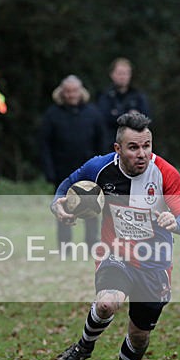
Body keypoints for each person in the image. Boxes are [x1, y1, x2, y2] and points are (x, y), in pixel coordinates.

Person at [49, 112, 180, 360]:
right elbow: (66, 185)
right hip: (114, 251)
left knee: (140, 334)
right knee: (107, 302)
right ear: (118, 149)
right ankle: (83, 347)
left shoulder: (165, 173)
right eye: (133, 147)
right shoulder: (100, 167)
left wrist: (174, 223)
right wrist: (58, 205)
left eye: (146, 146)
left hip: (155, 262)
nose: (141, 154)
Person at [40, 74, 105, 248]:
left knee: (91, 207)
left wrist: (101, 168)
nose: (71, 95)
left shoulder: (93, 113)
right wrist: (49, 171)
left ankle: (92, 243)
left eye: (74, 91)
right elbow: (44, 145)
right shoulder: (52, 115)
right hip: (62, 171)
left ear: (80, 91)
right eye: (67, 91)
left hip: (89, 171)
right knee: (63, 207)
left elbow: (102, 142)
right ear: (62, 93)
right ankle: (65, 245)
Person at [96, 58, 151, 151]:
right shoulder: (105, 96)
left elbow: (146, 118)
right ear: (112, 74)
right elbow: (103, 118)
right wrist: (129, 116)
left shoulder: (138, 96)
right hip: (109, 145)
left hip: (134, 146)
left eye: (125, 73)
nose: (122, 77)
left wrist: (117, 114)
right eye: (119, 73)